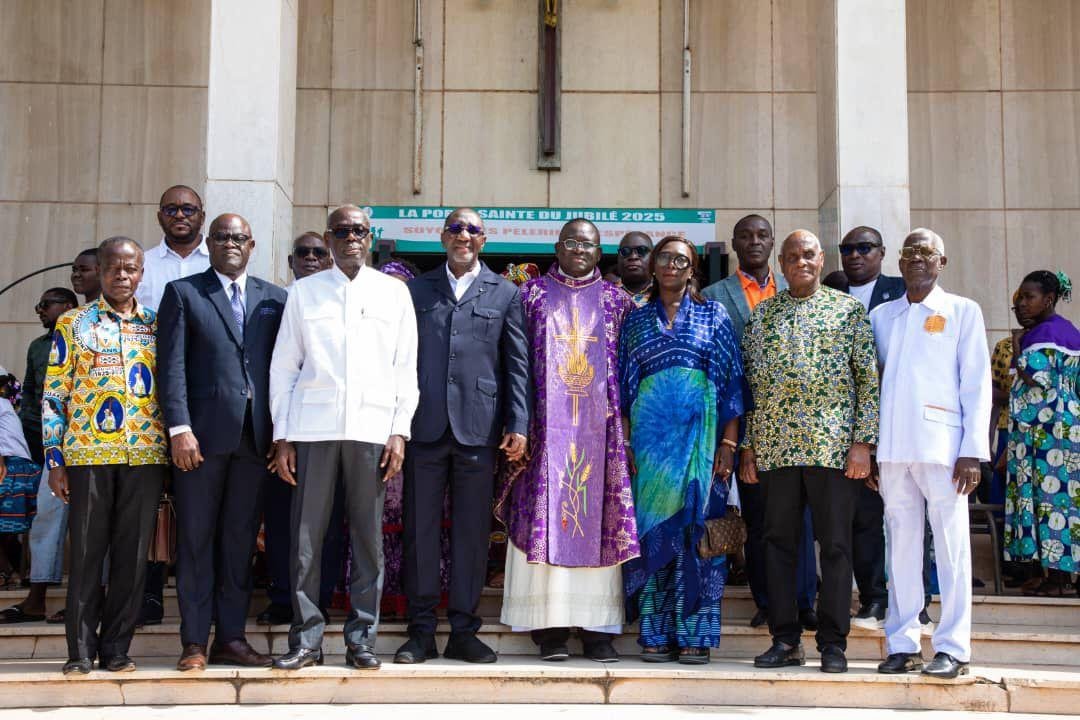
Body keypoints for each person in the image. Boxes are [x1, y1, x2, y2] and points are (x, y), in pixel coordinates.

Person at [269, 205, 418, 671]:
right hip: (313, 430)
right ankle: (307, 641)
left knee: (368, 541)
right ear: (329, 241)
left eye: (359, 230)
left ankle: (362, 639)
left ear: (369, 238)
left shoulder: (394, 293)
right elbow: (284, 367)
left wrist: (399, 430)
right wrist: (283, 436)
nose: (352, 237)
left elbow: (405, 368)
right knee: (307, 542)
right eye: (342, 231)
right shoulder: (304, 293)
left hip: (372, 431)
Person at [495, 219, 640, 663]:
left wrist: (630, 431)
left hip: (605, 434)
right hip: (544, 433)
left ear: (601, 252)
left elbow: (631, 370)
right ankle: (550, 629)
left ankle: (598, 629)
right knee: (548, 516)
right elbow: (515, 365)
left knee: (600, 520)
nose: (580, 249)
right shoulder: (532, 296)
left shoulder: (619, 302)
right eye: (572, 242)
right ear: (558, 247)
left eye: (589, 244)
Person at [394, 209, 530, 665]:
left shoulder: (506, 292)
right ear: (441, 237)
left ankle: (464, 630)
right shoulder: (415, 290)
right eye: (455, 229)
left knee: (472, 534)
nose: (463, 236)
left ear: (484, 240)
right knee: (420, 532)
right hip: (424, 426)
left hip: (479, 428)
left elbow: (516, 364)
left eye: (472, 230)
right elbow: (398, 359)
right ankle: (421, 631)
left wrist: (519, 423)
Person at [740, 230, 878, 674]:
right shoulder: (762, 318)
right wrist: (749, 447)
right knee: (778, 543)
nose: (801, 262)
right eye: (793, 256)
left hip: (832, 449)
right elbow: (752, 391)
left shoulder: (848, 312)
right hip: (777, 450)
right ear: (781, 264)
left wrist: (862, 444)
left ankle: (833, 644)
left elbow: (867, 383)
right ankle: (785, 639)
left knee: (835, 546)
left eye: (809, 255)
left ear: (821, 261)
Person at [157, 213, 287, 671]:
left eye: (239, 238)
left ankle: (230, 638)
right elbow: (170, 366)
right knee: (196, 541)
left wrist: (283, 432)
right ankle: (194, 640)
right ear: (208, 244)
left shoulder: (275, 298)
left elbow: (283, 369)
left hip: (255, 441)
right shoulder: (184, 293)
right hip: (200, 441)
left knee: (238, 543)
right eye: (222, 237)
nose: (230, 243)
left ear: (252, 245)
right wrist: (179, 428)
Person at [42, 237, 169, 675]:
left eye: (130, 268)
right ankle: (79, 651)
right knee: (86, 556)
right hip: (87, 456)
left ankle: (116, 648)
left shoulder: (156, 325)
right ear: (101, 270)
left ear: (141, 273)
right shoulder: (73, 324)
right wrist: (54, 460)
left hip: (145, 457)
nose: (122, 275)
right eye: (114, 267)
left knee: (133, 558)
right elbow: (54, 396)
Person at [619, 236, 746, 664]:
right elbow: (621, 390)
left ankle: (695, 633)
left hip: (702, 448)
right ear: (653, 267)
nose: (672, 265)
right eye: (665, 258)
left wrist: (729, 444)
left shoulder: (715, 315)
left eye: (681, 260)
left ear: (693, 269)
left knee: (697, 536)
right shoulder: (635, 321)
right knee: (655, 535)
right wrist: (626, 443)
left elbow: (731, 386)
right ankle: (656, 632)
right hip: (652, 453)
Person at [872, 228, 992, 680]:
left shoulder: (962, 311)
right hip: (893, 450)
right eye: (909, 253)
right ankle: (903, 644)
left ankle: (954, 648)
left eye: (927, 252)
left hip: (946, 451)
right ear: (899, 263)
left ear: (942, 262)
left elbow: (976, 384)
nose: (917, 259)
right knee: (899, 549)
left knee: (952, 549)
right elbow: (874, 384)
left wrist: (973, 452)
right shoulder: (883, 315)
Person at [701, 215, 817, 631]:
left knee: (799, 517)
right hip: (740, 421)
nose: (754, 241)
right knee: (758, 517)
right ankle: (767, 600)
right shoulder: (714, 296)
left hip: (796, 426)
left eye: (762, 235)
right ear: (733, 243)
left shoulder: (798, 287)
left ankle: (805, 601)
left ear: (773, 244)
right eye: (745, 236)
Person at [258, 230, 343, 628]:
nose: (310, 258)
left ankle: (320, 598)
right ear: (290, 262)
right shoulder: (274, 302)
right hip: (283, 431)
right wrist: (280, 433)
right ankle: (280, 597)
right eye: (302, 253)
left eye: (318, 253)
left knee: (325, 522)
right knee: (281, 520)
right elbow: (276, 371)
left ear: (329, 260)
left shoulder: (338, 300)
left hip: (330, 431)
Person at [832, 227, 907, 631]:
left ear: (882, 252)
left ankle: (916, 601)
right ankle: (874, 597)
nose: (855, 255)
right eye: (848, 249)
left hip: (898, 428)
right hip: (847, 433)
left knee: (909, 521)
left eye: (864, 248)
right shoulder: (833, 295)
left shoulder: (901, 292)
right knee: (863, 521)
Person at [0, 288, 77, 623]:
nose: (40, 310)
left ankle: (89, 599)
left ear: (68, 307)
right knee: (46, 516)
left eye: (47, 304)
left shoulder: (89, 330)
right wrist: (38, 439)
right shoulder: (37, 347)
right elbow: (32, 395)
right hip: (51, 444)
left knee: (92, 523)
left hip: (93, 438)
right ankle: (37, 596)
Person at [1004, 270, 1079, 596]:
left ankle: (1058, 580)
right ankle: (1050, 575)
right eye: (1019, 297)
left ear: (1048, 299)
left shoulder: (1045, 335)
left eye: (1028, 297)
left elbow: (1037, 378)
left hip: (1047, 436)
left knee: (1051, 503)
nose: (1021, 303)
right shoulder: (1068, 331)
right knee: (1063, 503)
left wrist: (1019, 346)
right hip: (1064, 432)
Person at [136, 185, 210, 311]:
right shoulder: (143, 263)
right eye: (171, 210)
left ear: (202, 217)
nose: (180, 215)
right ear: (159, 218)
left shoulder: (217, 261)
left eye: (188, 209)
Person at [0, 391, 40, 585]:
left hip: (8, 466)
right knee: (10, 528)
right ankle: (16, 571)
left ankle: (9, 571)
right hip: (21, 468)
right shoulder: (7, 405)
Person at [614, 232, 654, 307]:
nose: (633, 257)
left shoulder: (665, 293)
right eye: (625, 251)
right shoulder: (604, 293)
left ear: (653, 257)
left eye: (642, 250)